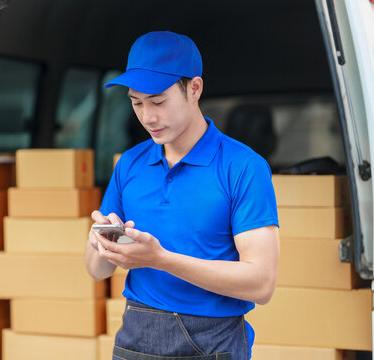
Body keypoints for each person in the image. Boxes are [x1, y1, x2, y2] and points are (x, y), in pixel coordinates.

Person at [84, 31, 280, 360]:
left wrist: (159, 259)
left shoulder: (243, 167)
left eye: (158, 101)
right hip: (135, 333)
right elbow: (96, 271)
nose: (147, 116)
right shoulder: (130, 163)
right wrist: (101, 243)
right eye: (136, 102)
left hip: (212, 341)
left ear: (194, 88)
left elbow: (261, 284)